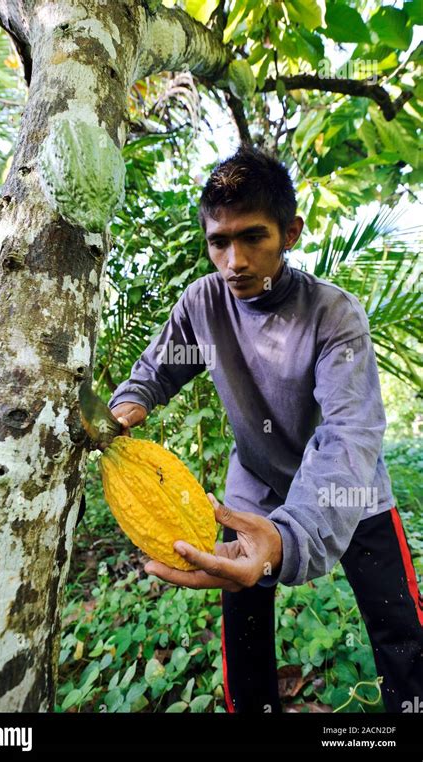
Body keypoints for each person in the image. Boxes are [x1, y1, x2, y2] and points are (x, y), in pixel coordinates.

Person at [107, 146, 423, 713]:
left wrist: (288, 538)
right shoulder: (204, 303)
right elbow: (160, 367)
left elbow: (349, 434)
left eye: (253, 237)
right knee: (244, 629)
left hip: (349, 488)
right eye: (219, 242)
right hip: (254, 481)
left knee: (398, 625)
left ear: (291, 232)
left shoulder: (334, 315)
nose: (234, 261)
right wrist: (127, 404)